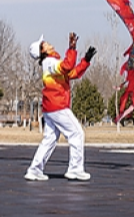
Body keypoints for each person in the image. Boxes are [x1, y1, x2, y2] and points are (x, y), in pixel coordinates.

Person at [25, 32, 95, 181]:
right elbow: (67, 66)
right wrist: (72, 48)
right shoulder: (50, 62)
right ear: (42, 51)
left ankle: (34, 170)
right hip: (58, 106)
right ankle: (75, 169)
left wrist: (85, 60)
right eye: (44, 44)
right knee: (77, 134)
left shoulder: (50, 63)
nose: (48, 43)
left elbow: (72, 73)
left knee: (50, 139)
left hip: (50, 107)